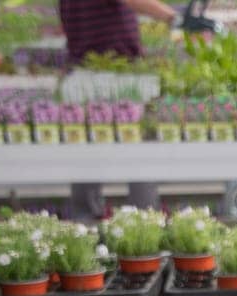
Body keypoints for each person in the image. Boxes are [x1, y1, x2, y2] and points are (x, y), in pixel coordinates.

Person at [57, 0, 177, 220]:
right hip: (115, 71)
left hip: (83, 64)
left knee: (86, 147)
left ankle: (85, 220)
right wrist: (172, 17)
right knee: (138, 147)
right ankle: (144, 219)